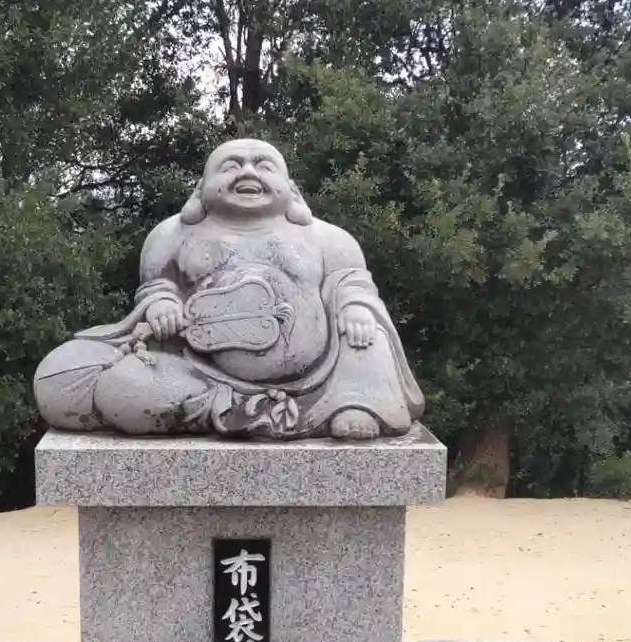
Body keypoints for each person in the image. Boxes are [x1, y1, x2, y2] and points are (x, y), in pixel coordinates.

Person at [33, 139, 424, 439]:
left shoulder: (327, 238)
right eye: (231, 166)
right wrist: (161, 305)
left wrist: (355, 306)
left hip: (320, 372)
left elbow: (351, 281)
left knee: (367, 334)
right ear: (202, 187)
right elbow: (157, 285)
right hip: (206, 370)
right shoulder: (172, 235)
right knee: (114, 384)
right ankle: (237, 408)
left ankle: (354, 403)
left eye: (263, 165)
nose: (247, 172)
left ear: (290, 188)